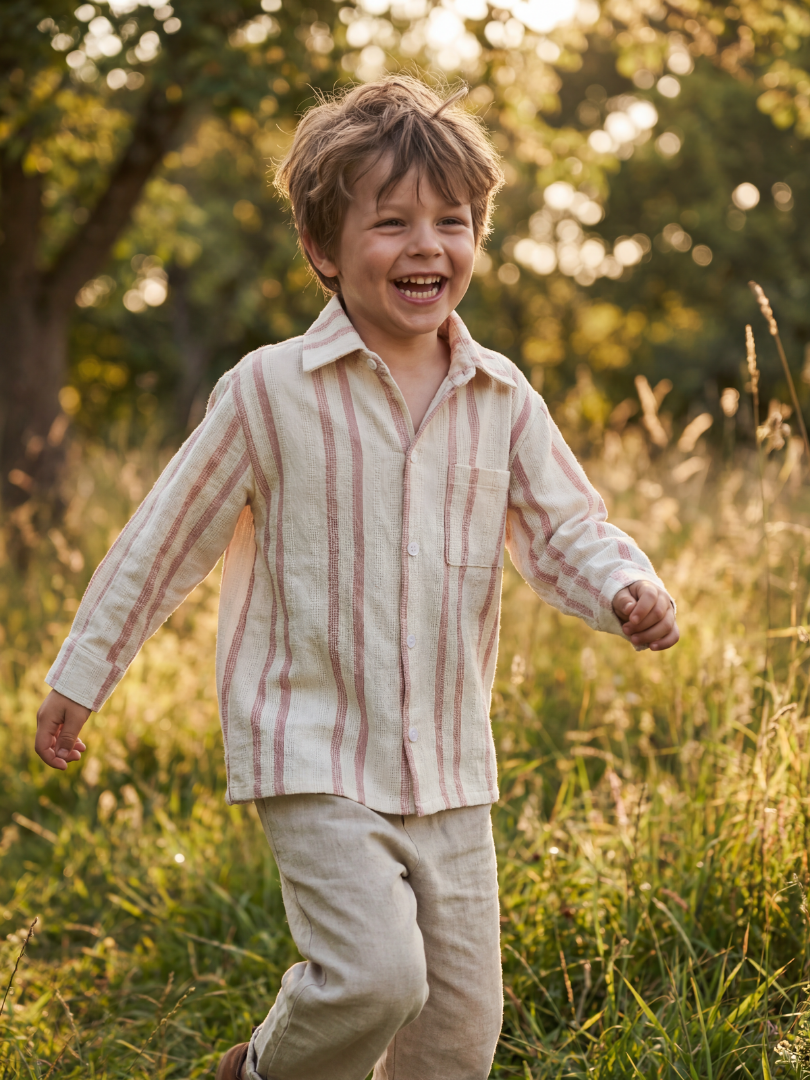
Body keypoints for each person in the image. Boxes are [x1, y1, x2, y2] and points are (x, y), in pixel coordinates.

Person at [35, 76, 679, 1080]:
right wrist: (82, 676)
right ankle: (258, 1072)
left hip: (448, 759)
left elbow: (568, 528)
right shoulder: (268, 390)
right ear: (323, 251)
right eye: (392, 223)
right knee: (376, 978)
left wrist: (625, 587)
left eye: (451, 221)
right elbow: (163, 541)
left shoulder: (501, 396)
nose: (427, 245)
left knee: (459, 1029)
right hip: (313, 747)